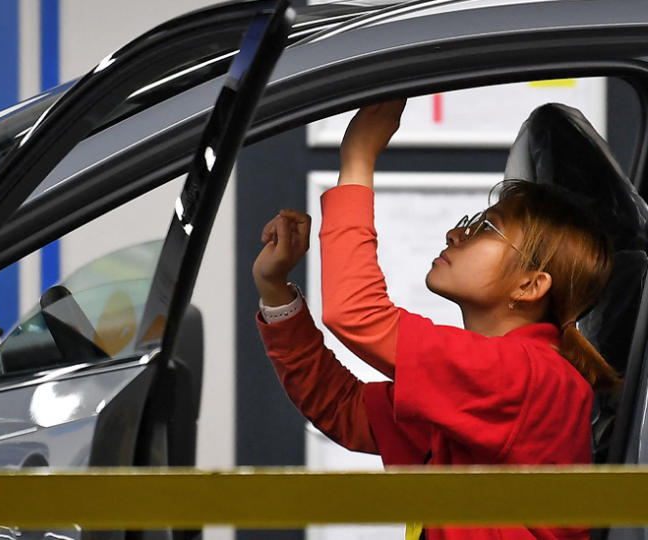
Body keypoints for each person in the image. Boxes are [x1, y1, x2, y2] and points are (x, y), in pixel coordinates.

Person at [252, 99, 618, 540]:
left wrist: (359, 158)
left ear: (530, 285)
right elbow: (343, 408)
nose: (455, 233)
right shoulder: (487, 383)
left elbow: (358, 313)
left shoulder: (525, 376)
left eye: (487, 229)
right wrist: (275, 291)